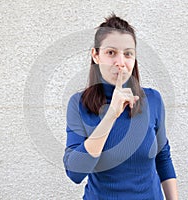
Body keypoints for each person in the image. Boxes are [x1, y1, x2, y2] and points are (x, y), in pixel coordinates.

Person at [63, 14, 178, 200]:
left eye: (127, 53)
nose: (120, 62)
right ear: (96, 55)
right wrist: (111, 115)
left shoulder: (153, 99)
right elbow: (75, 173)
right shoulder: (78, 104)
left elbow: (163, 157)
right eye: (111, 53)